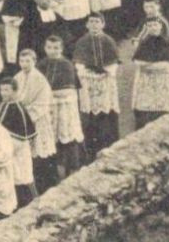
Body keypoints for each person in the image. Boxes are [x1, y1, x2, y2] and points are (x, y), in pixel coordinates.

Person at [71, 13, 120, 159]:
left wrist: (106, 72)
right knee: (90, 116)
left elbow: (114, 62)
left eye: (97, 21)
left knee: (106, 114)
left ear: (103, 24)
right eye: (91, 21)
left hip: (105, 81)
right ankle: (90, 152)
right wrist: (86, 72)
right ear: (86, 24)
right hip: (88, 81)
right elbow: (78, 63)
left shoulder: (108, 41)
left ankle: (109, 146)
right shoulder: (82, 41)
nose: (94, 24)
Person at [12, 49, 59, 193]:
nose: (24, 64)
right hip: (23, 120)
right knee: (27, 154)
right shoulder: (17, 77)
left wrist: (28, 115)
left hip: (37, 119)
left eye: (28, 61)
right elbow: (14, 97)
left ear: (34, 61)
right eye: (22, 61)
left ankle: (49, 185)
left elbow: (43, 102)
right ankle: (30, 187)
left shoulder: (39, 79)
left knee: (41, 152)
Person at [39, 35, 85, 178]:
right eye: (49, 48)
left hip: (64, 106)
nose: (52, 51)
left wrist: (46, 94)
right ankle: (53, 172)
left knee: (66, 136)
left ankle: (71, 169)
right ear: (45, 48)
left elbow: (68, 90)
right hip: (47, 107)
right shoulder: (42, 64)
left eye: (56, 48)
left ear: (61, 49)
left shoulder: (66, 65)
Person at [0, 78, 38, 207]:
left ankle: (28, 204)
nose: (3, 93)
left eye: (7, 90)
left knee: (21, 177)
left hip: (17, 149)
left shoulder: (18, 108)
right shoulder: (3, 104)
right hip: (6, 147)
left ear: (14, 91)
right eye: (2, 90)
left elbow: (24, 134)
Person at [129, 16, 169, 129]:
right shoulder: (144, 43)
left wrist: (149, 65)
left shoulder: (165, 43)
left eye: (155, 25)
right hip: (146, 81)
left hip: (162, 79)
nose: (153, 28)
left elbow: (167, 64)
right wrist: (150, 65)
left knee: (162, 106)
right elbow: (137, 61)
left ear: (160, 26)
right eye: (150, 25)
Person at [0, 0, 45, 75]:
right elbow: (3, 15)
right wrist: (10, 20)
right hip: (11, 31)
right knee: (11, 58)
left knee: (24, 55)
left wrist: (22, 21)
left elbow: (35, 18)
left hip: (26, 33)